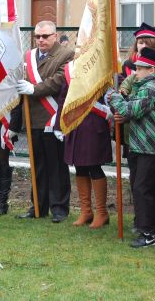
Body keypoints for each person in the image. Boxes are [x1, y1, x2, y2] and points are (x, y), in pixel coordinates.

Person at [15, 20, 74, 223]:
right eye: (37, 36)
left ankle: (59, 208)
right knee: (37, 165)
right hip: (33, 118)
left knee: (56, 166)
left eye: (45, 36)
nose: (40, 40)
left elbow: (60, 80)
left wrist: (34, 89)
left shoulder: (67, 55)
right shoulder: (28, 56)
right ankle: (38, 206)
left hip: (53, 118)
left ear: (55, 36)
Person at [109, 47, 155, 247]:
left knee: (142, 189)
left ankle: (150, 233)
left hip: (148, 147)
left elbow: (128, 109)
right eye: (136, 67)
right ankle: (152, 229)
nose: (136, 72)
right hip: (141, 145)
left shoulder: (151, 88)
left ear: (152, 70)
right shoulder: (147, 86)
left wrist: (115, 96)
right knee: (143, 188)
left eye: (141, 68)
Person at [118, 22, 155, 233]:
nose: (140, 45)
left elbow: (131, 105)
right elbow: (126, 86)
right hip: (135, 136)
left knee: (149, 184)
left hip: (150, 138)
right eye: (138, 42)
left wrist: (119, 98)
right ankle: (143, 221)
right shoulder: (135, 71)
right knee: (138, 183)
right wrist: (123, 94)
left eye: (144, 42)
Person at [54, 64, 113, 228]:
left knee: (94, 167)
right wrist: (59, 126)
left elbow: (110, 95)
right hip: (76, 125)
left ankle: (102, 213)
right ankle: (86, 211)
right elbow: (63, 99)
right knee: (79, 167)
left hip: (94, 125)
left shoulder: (102, 66)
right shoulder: (71, 69)